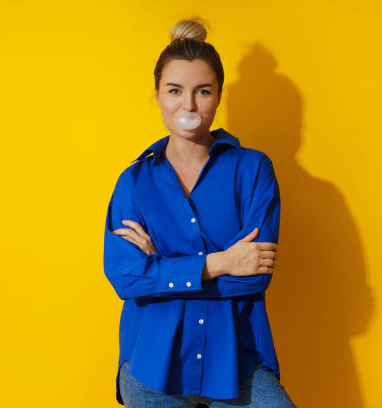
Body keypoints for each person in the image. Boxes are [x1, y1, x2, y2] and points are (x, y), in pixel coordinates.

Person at [103, 17, 297, 408]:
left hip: (237, 363)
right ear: (157, 95)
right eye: (175, 90)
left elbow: (253, 279)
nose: (188, 105)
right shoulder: (134, 182)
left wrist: (162, 267)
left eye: (202, 91)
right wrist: (220, 262)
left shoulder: (253, 170)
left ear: (219, 95)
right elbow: (125, 277)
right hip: (152, 367)